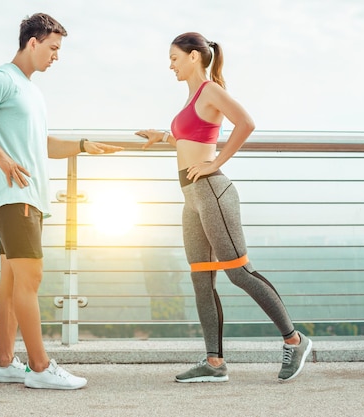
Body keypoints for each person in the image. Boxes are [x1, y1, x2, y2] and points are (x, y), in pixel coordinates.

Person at [0, 13, 122, 390]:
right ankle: (41, 368)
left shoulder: (30, 89)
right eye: (53, 48)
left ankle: (3, 363)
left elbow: (40, 145)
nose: (56, 56)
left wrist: (81, 146)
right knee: (31, 278)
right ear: (32, 42)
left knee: (11, 283)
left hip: (25, 197)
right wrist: (0, 156)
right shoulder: (2, 79)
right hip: (15, 195)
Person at [136, 32, 312, 383]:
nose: (170, 65)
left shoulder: (210, 90)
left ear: (194, 57)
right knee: (201, 278)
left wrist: (216, 163)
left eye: (174, 58)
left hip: (212, 191)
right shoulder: (191, 99)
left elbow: (246, 124)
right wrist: (164, 136)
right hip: (192, 199)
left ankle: (295, 339)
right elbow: (194, 137)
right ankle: (214, 363)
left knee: (237, 272)